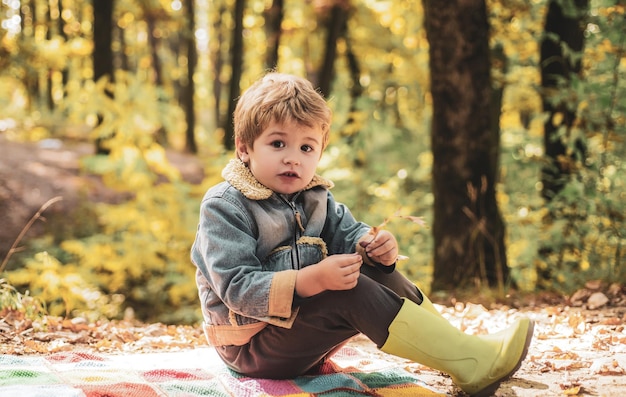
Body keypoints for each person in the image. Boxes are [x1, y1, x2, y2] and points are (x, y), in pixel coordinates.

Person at [191, 72, 534, 396]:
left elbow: (350, 234)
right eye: (278, 144)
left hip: (299, 336)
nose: (292, 159)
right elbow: (237, 287)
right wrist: (310, 280)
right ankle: (470, 360)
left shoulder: (315, 197)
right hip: (251, 347)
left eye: (306, 148)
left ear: (320, 152)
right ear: (244, 148)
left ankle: (464, 353)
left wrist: (374, 249)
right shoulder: (225, 206)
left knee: (370, 271)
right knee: (345, 291)